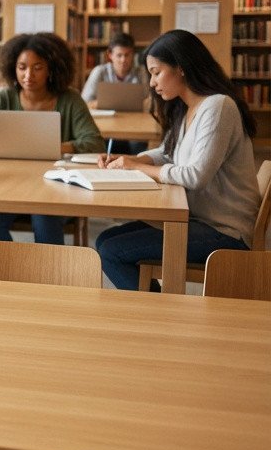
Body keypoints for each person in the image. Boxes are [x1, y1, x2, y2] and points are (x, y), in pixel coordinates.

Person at [94, 29, 257, 291]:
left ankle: (157, 309)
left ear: (180, 68)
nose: (151, 83)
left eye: (156, 72)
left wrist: (137, 167)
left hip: (225, 231)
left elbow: (195, 176)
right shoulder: (187, 107)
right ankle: (155, 304)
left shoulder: (218, 106)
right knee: (104, 240)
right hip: (195, 219)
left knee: (111, 251)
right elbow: (168, 152)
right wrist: (129, 158)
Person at [0, 32, 103, 244]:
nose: (28, 75)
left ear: (52, 69)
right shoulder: (4, 97)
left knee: (45, 217)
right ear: (13, 68)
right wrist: (15, 146)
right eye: (22, 67)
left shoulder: (70, 99)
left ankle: (48, 268)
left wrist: (52, 147)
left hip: (56, 185)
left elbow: (95, 143)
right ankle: (8, 265)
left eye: (37, 68)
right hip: (8, 185)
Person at [81, 32, 145, 105]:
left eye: (127, 55)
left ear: (133, 54)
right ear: (110, 55)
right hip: (105, 112)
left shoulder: (142, 73)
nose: (123, 60)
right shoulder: (99, 71)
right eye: (119, 55)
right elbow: (85, 102)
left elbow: (150, 100)